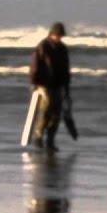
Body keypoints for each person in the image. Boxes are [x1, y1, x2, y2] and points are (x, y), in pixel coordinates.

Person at [29, 21, 71, 151]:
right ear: (52, 34)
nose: (59, 38)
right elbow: (35, 66)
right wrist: (34, 83)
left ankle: (50, 141)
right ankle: (38, 137)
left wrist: (66, 86)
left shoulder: (63, 48)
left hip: (58, 84)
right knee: (46, 111)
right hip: (43, 84)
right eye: (58, 35)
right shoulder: (43, 46)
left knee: (56, 114)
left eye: (61, 36)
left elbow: (65, 69)